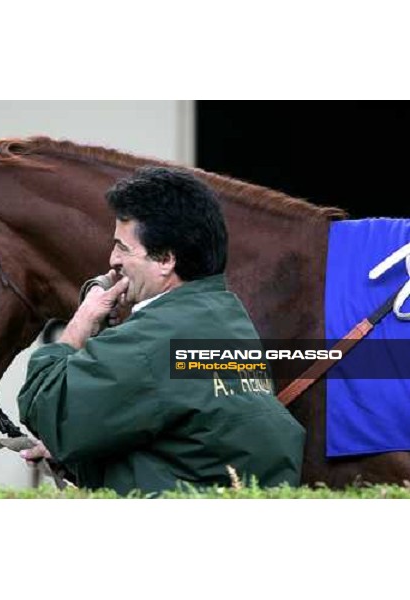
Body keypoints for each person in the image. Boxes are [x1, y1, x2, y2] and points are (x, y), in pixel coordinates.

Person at [17, 166, 305, 496]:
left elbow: (46, 409)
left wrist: (81, 321)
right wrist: (80, 458)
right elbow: (182, 446)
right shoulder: (228, 320)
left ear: (166, 259)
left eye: (123, 248)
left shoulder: (153, 340)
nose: (113, 260)